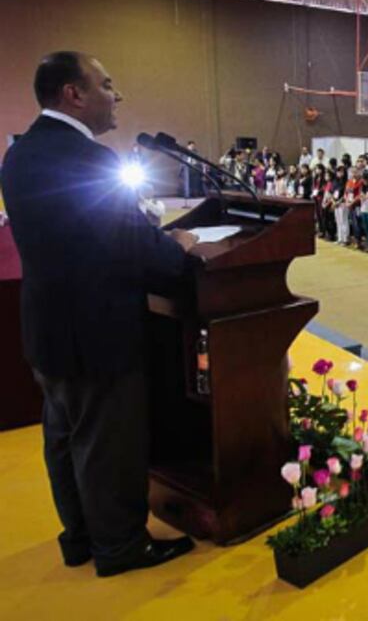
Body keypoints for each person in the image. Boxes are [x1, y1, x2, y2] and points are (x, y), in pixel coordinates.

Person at [0, 52, 197, 576]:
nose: (117, 96)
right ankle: (121, 547)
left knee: (65, 439)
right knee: (109, 442)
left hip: (48, 330)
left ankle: (82, 538)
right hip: (97, 331)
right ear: (74, 94)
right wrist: (177, 245)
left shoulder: (21, 153)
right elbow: (128, 243)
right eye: (107, 84)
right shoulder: (87, 159)